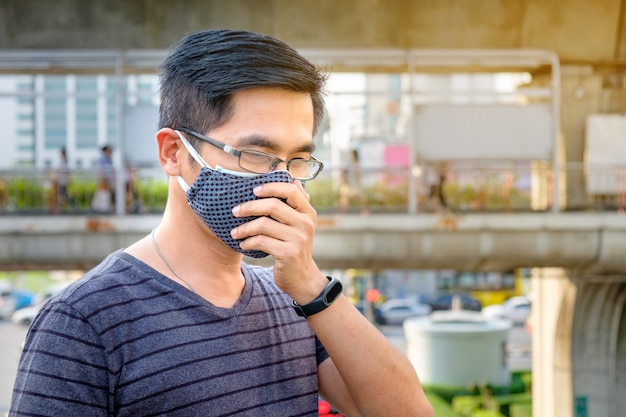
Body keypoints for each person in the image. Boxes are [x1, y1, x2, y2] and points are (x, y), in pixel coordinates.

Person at [10, 29, 433, 417]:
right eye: (256, 155)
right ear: (173, 152)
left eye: (296, 160)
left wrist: (311, 287)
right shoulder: (83, 320)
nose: (279, 179)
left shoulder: (298, 302)